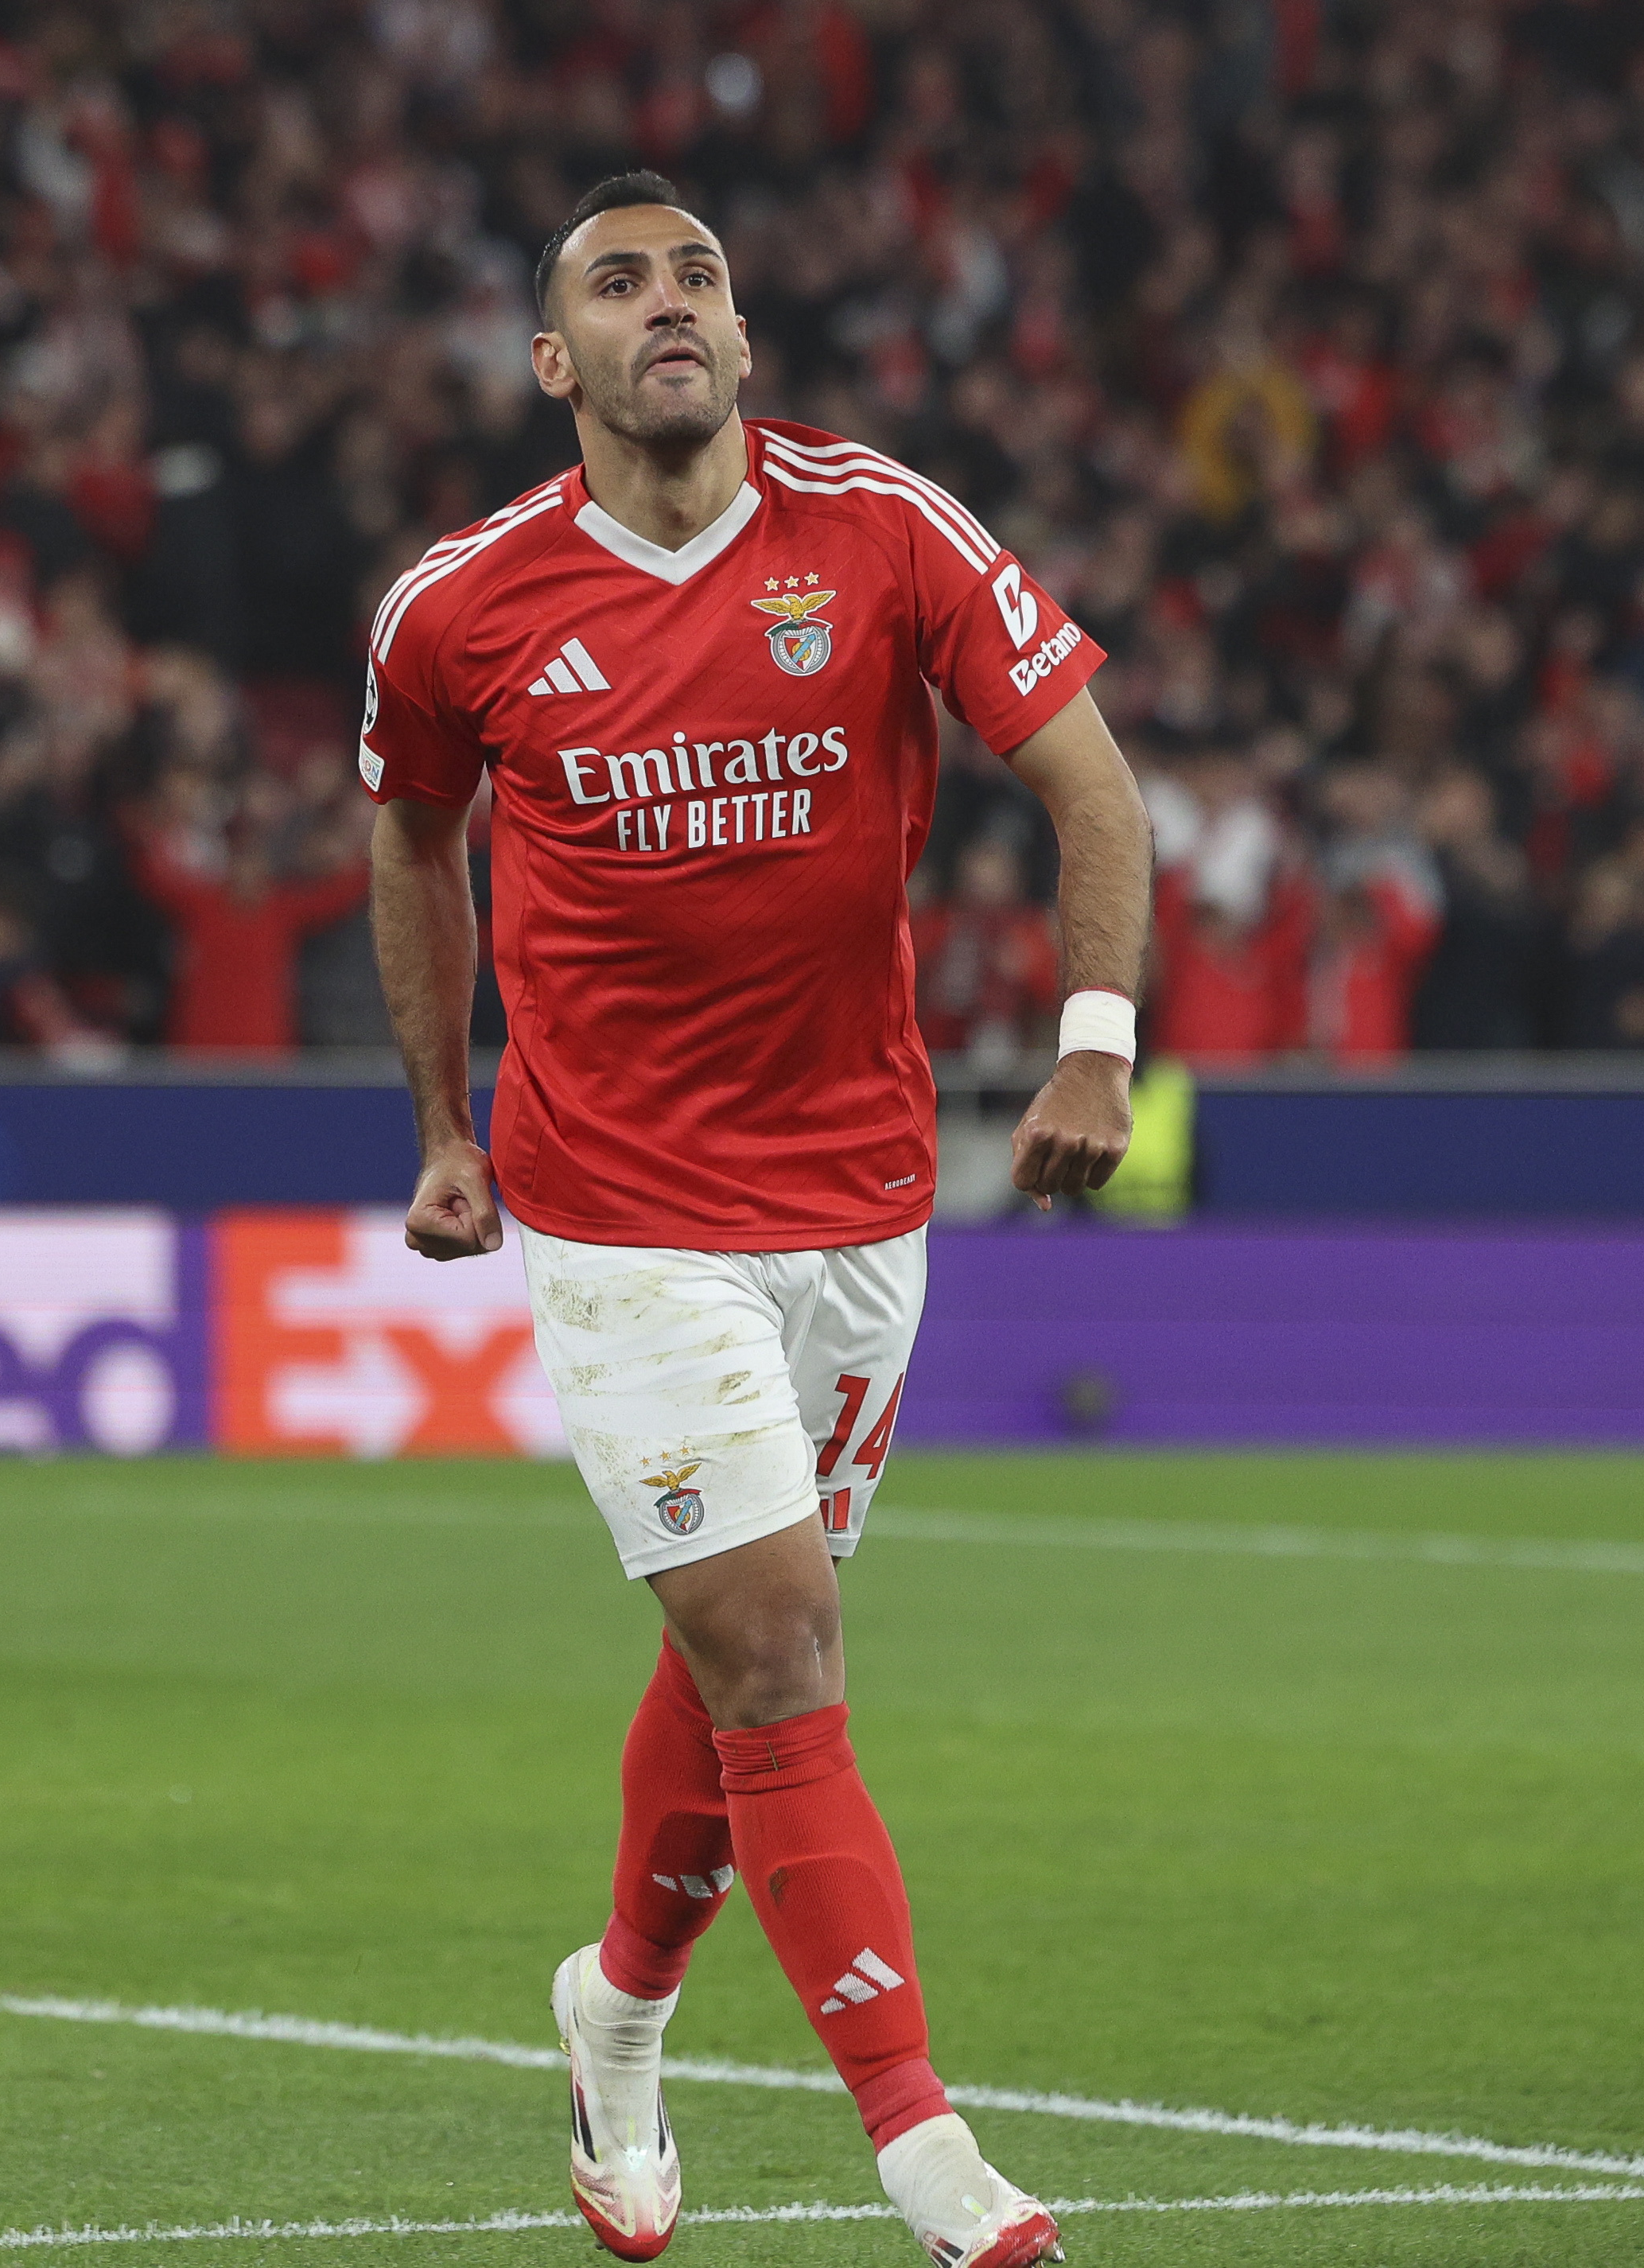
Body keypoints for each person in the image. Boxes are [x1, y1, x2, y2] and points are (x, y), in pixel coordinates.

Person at [360, 174, 1150, 2267]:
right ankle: (920, 2147)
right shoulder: (460, 606)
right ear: (557, 364)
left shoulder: (886, 530)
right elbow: (413, 847)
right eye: (616, 285)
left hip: (859, 1196)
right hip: (619, 1210)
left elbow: (1090, 782)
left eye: (696, 273)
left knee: (733, 1648)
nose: (667, 304)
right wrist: (446, 1123)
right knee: (779, 1641)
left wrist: (1090, 1038)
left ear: (743, 333)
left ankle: (613, 2009)